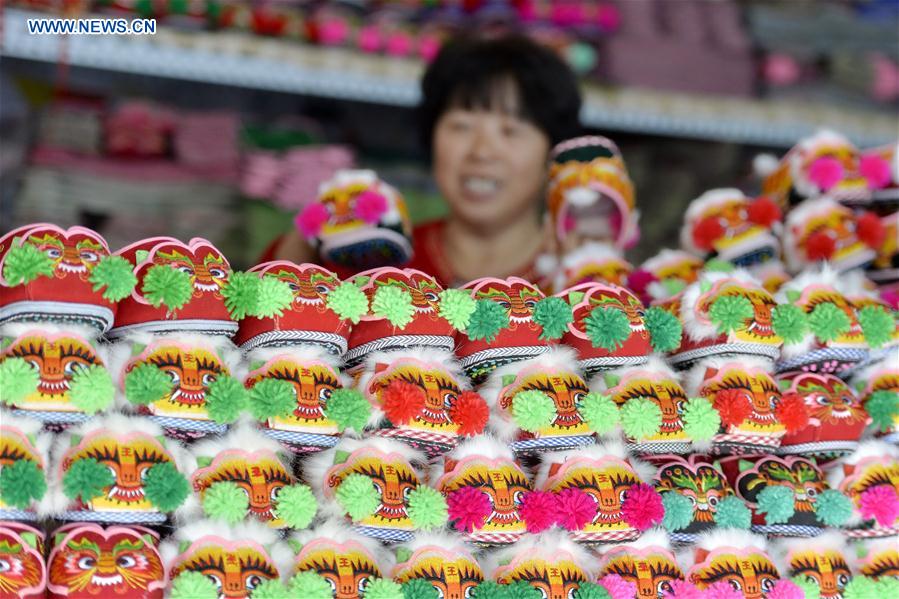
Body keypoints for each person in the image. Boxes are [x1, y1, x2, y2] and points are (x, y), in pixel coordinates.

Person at [271, 34, 583, 286]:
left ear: (553, 155)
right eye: (462, 126)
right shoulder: (375, 257)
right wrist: (302, 247)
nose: (482, 151)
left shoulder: (585, 283)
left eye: (510, 131)